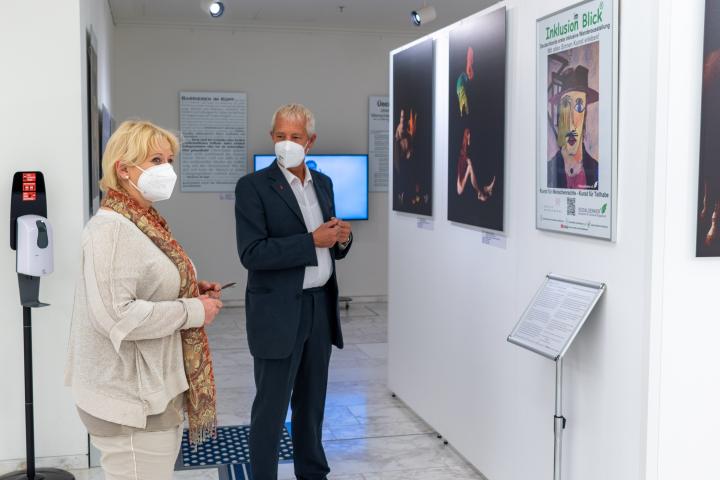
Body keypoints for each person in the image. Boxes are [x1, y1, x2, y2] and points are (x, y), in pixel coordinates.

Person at [64, 120, 224, 480]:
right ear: (123, 169)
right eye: (155, 159)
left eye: (169, 159)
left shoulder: (140, 221)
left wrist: (188, 289)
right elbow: (117, 316)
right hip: (128, 400)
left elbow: (142, 285)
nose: (167, 169)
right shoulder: (112, 230)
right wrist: (193, 310)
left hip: (148, 391)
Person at [234, 104, 353, 480]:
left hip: (319, 307)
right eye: (280, 136)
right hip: (278, 313)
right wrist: (310, 241)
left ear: (311, 142)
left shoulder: (324, 184)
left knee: (313, 403)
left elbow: (329, 244)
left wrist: (341, 240)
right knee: (270, 409)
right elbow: (252, 253)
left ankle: (313, 474)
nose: (287, 144)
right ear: (272, 138)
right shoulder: (252, 187)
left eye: (295, 137)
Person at [547, 65, 599, 190]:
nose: (572, 124)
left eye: (579, 108)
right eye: (566, 107)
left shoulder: (596, 170)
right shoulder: (549, 171)